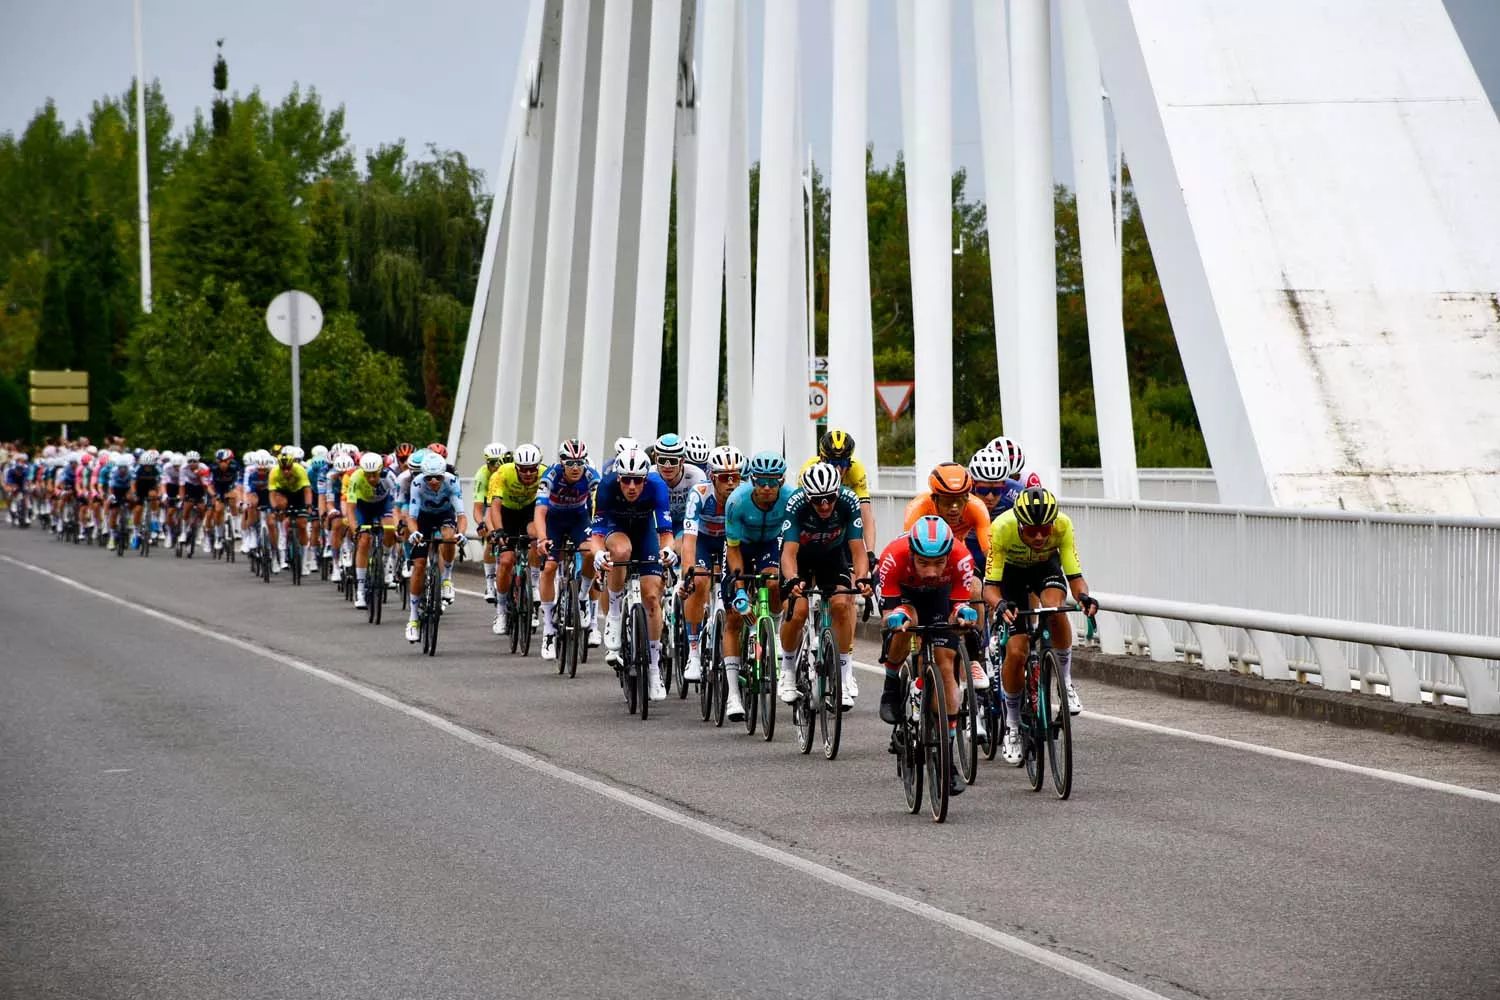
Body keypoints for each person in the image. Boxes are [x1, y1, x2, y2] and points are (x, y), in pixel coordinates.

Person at [982, 486, 1098, 765]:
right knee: (1017, 651)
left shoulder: (1063, 525)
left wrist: (1083, 597)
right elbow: (990, 587)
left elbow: (1075, 576)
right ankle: (1012, 724)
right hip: (1010, 575)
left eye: (1044, 530)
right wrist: (1000, 604)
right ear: (1019, 524)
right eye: (1031, 531)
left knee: (1055, 610)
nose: (1038, 537)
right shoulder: (1002, 528)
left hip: (1045, 568)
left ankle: (1065, 682)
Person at [876, 516, 979, 798]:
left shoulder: (962, 558)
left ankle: (946, 758)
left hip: (939, 598)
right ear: (911, 554)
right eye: (923, 562)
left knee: (946, 664)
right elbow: (887, 615)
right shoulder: (893, 557)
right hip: (904, 595)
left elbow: (957, 607)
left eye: (939, 563)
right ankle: (891, 685)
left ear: (948, 555)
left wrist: (963, 614)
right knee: (903, 623)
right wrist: (895, 617)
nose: (932, 571)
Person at [778, 461, 872, 708]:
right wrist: (792, 579)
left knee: (841, 604)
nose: (825, 505)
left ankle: (844, 674)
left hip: (832, 555)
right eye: (818, 500)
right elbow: (788, 553)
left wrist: (863, 577)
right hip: (800, 557)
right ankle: (787, 669)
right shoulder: (796, 503)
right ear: (807, 497)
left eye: (830, 498)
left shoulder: (849, 501)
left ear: (837, 493)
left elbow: (858, 549)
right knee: (797, 612)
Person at [591, 447, 673, 700]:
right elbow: (596, 535)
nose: (632, 486)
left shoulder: (657, 486)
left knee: (652, 597)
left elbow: (665, 532)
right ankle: (614, 615)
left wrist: (668, 550)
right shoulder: (606, 487)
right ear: (618, 478)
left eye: (637, 481)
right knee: (621, 551)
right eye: (626, 480)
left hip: (645, 532)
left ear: (645, 479)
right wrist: (597, 554)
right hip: (616, 530)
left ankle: (654, 669)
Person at [721, 451, 796, 721]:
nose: (766, 487)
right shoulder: (737, 501)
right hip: (740, 547)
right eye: (761, 481)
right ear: (752, 480)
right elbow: (733, 550)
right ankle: (733, 695)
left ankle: (771, 628)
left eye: (772, 481)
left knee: (773, 583)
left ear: (781, 481)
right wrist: (740, 589)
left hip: (769, 545)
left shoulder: (791, 498)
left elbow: (794, 541)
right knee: (734, 616)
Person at [676, 445, 743, 681]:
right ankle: (694, 652)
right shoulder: (700, 493)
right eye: (725, 478)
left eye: (735, 476)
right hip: (703, 541)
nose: (731, 483)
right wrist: (688, 574)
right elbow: (689, 540)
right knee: (700, 581)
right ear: (712, 477)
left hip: (729, 542)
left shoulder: (744, 495)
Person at [533, 438, 601, 660]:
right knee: (550, 567)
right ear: (561, 462)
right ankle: (548, 630)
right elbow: (540, 512)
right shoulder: (550, 476)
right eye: (570, 463)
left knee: (590, 552)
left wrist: (599, 534)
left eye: (579, 462)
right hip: (553, 520)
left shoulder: (591, 476)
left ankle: (582, 597)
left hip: (578, 519)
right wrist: (542, 539)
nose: (575, 468)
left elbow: (598, 507)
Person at [405, 453, 467, 642]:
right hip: (423, 517)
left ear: (443, 475)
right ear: (423, 476)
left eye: (438, 477)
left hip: (444, 515)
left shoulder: (452, 481)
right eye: (429, 478)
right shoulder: (417, 483)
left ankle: (446, 579)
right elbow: (412, 517)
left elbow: (461, 515)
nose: (433, 481)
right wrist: (414, 532)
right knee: (419, 565)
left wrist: (462, 533)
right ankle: (413, 619)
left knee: (449, 537)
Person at [486, 443, 545, 633]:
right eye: (523, 469)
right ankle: (501, 610)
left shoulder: (545, 474)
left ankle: (534, 584)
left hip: (530, 511)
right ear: (516, 466)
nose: (528, 473)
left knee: (536, 536)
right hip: (507, 513)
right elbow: (495, 506)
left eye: (532, 469)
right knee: (506, 560)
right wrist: (499, 530)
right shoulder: (502, 473)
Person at [800, 428, 877, 549]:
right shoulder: (809, 469)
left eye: (843, 463)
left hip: (840, 522)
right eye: (833, 462)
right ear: (822, 458)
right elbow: (801, 511)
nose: (838, 469)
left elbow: (866, 515)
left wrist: (870, 551)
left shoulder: (856, 470)